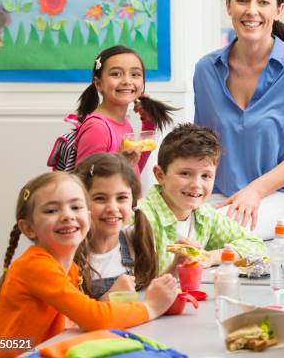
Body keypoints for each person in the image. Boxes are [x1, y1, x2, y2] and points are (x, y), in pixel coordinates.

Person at [0, 172, 178, 357]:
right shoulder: (36, 266)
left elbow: (78, 318)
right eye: (52, 210)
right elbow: (92, 318)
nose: (67, 215)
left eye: (76, 207)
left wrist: (106, 302)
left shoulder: (69, 267)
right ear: (29, 228)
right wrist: (150, 307)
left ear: (88, 218)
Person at [193, 0, 284, 239]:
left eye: (263, 2)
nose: (251, 10)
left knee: (220, 232)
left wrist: (255, 191)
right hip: (220, 197)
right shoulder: (206, 70)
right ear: (228, 6)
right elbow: (201, 145)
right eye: (242, 0)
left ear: (279, 9)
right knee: (160, 225)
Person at [138, 123, 267, 274]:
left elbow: (255, 245)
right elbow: (139, 280)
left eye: (206, 176)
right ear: (160, 175)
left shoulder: (204, 214)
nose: (196, 185)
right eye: (185, 173)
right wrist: (177, 264)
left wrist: (212, 257)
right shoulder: (141, 218)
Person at [75, 45, 177, 175]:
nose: (127, 81)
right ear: (98, 83)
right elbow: (83, 183)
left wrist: (149, 125)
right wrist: (121, 161)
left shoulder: (124, 124)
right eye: (116, 74)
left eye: (135, 74)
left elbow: (133, 172)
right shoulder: (97, 128)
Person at [74, 153, 158, 299]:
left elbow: (147, 294)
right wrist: (110, 296)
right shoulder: (69, 254)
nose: (112, 208)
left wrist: (177, 266)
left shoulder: (135, 238)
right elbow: (70, 320)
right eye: (100, 198)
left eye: (121, 198)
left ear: (133, 200)